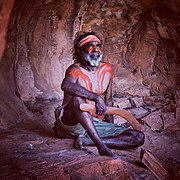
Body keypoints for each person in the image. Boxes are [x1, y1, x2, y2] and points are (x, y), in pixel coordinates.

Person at [53, 31, 144, 157]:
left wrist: (110, 125)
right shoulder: (75, 69)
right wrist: (95, 97)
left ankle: (89, 141)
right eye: (90, 45)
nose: (96, 49)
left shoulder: (107, 69)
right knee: (78, 100)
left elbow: (108, 100)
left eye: (98, 45)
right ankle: (101, 146)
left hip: (95, 123)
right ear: (81, 50)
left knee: (138, 137)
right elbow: (66, 85)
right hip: (72, 123)